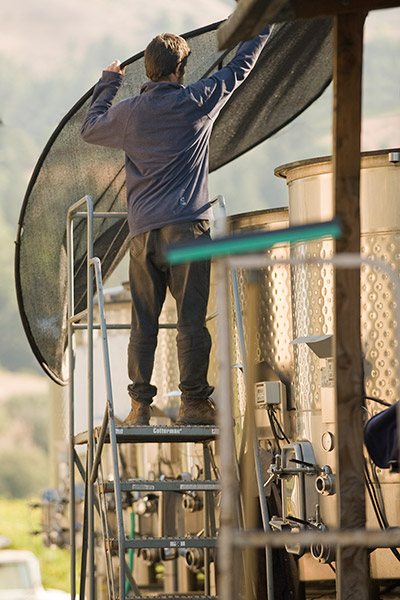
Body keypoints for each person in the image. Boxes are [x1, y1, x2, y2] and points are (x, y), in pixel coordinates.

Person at [81, 25, 272, 426]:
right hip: (188, 231)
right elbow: (242, 65)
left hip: (143, 234)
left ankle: (139, 407)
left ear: (148, 69)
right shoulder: (198, 101)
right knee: (190, 319)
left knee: (143, 322)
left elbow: (89, 127)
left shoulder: (129, 113)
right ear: (180, 68)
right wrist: (263, 25)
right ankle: (194, 404)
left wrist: (109, 83)